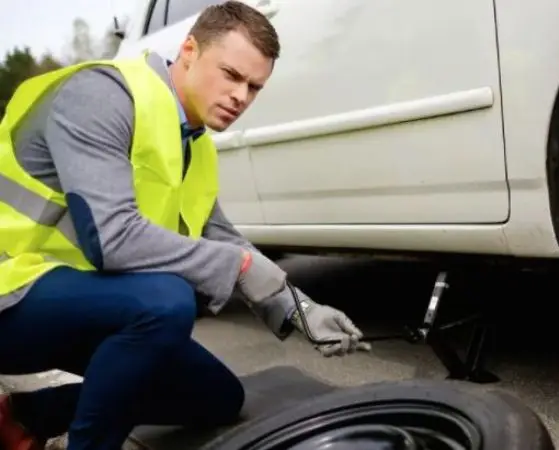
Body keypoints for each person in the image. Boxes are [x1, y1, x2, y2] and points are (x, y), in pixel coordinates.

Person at [0, 2, 371, 449]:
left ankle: (25, 416)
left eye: (254, 87)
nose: (241, 97)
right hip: (13, 295)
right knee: (164, 301)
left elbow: (218, 235)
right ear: (190, 50)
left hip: (81, 303)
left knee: (215, 396)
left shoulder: (192, 143)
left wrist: (300, 309)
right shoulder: (99, 95)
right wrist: (238, 266)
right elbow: (112, 239)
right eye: (232, 75)